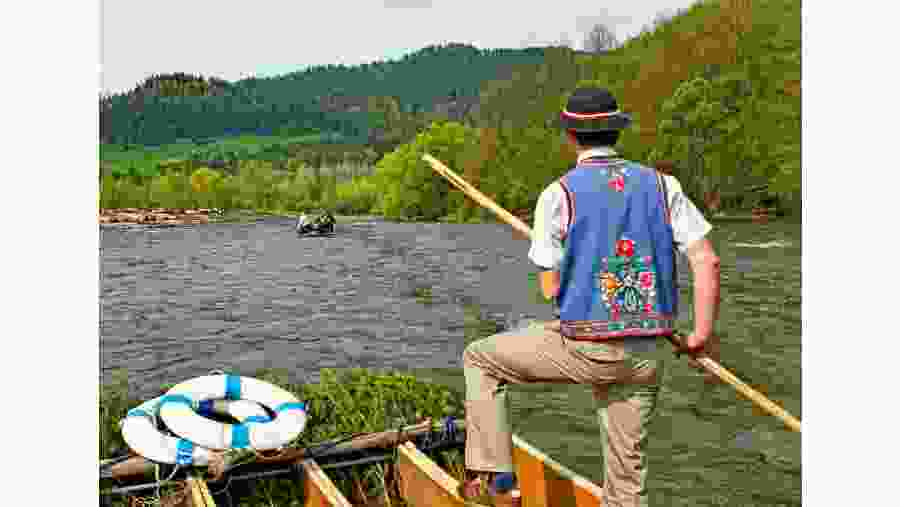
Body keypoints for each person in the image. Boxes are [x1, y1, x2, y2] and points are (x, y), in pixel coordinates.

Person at [460, 87, 721, 507]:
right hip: (646, 354)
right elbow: (706, 262)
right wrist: (700, 335)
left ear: (570, 136)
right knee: (626, 480)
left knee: (480, 358)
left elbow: (551, 291)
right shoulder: (664, 185)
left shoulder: (558, 195)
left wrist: (571, 266)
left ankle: (499, 484)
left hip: (589, 349)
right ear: (617, 131)